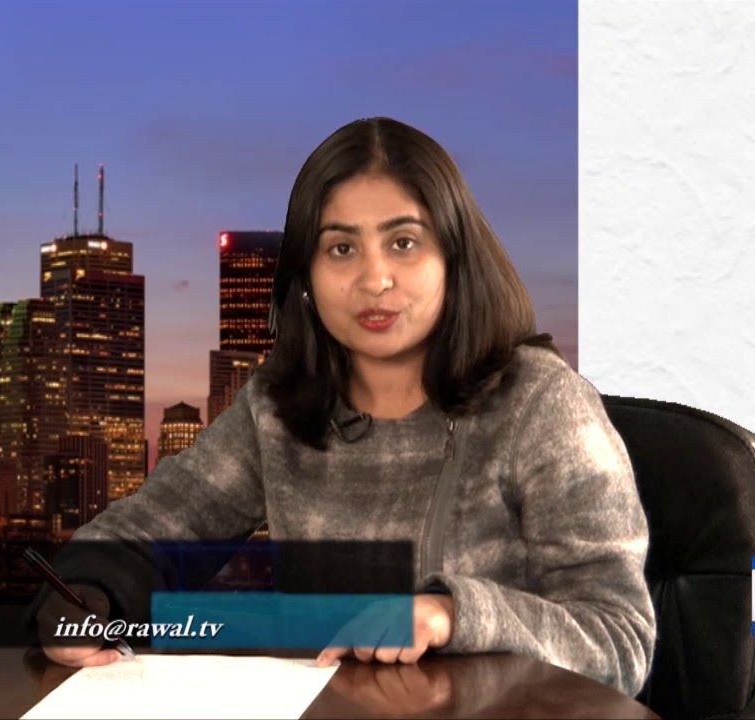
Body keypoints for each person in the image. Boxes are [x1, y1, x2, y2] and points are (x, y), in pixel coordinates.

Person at [32, 117, 656, 697]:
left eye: (404, 243)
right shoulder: (278, 407)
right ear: (305, 276)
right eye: (340, 249)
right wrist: (87, 597)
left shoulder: (540, 402)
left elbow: (619, 639)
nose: (374, 279)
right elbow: (153, 524)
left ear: (453, 258)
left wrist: (452, 614)